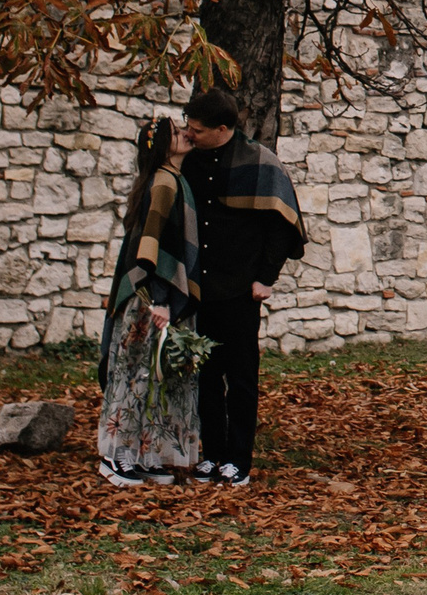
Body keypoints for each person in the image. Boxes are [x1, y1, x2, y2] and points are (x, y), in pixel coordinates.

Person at [177, 86, 306, 486]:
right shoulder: (188, 163)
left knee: (242, 377)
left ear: (222, 128)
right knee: (206, 376)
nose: (189, 134)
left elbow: (281, 228)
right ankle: (211, 454)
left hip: (241, 290)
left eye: (196, 129)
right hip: (201, 287)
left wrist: (264, 278)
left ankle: (238, 461)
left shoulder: (260, 162)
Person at [97, 118, 201, 486]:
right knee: (138, 373)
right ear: (160, 147)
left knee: (158, 376)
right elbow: (151, 245)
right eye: (175, 133)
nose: (185, 134)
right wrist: (160, 300)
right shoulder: (163, 182)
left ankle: (145, 454)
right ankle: (116, 457)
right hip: (150, 301)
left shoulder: (174, 180)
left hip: (161, 299)